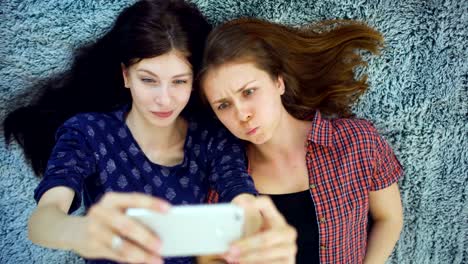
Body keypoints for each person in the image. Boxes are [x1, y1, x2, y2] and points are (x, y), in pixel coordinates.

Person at [3, 2, 297, 263]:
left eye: (179, 82)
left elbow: (239, 193)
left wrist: (259, 228)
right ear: (126, 76)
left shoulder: (211, 138)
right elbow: (44, 218)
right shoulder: (88, 132)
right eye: (149, 80)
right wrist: (78, 231)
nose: (164, 99)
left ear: (193, 83)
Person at [200, 18, 404, 264]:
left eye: (249, 92)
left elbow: (389, 218)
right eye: (224, 105)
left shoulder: (357, 142)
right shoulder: (223, 182)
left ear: (278, 82)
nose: (242, 114)